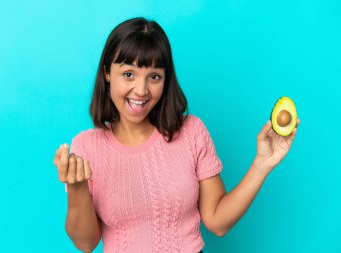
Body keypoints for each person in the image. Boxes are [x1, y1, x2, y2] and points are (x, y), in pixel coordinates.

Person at [53, 17, 300, 253]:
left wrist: (262, 164)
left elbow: (217, 221)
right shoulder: (86, 147)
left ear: (165, 79)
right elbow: (86, 244)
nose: (141, 90)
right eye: (128, 74)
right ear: (107, 73)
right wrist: (77, 188)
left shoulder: (191, 132)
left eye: (154, 77)